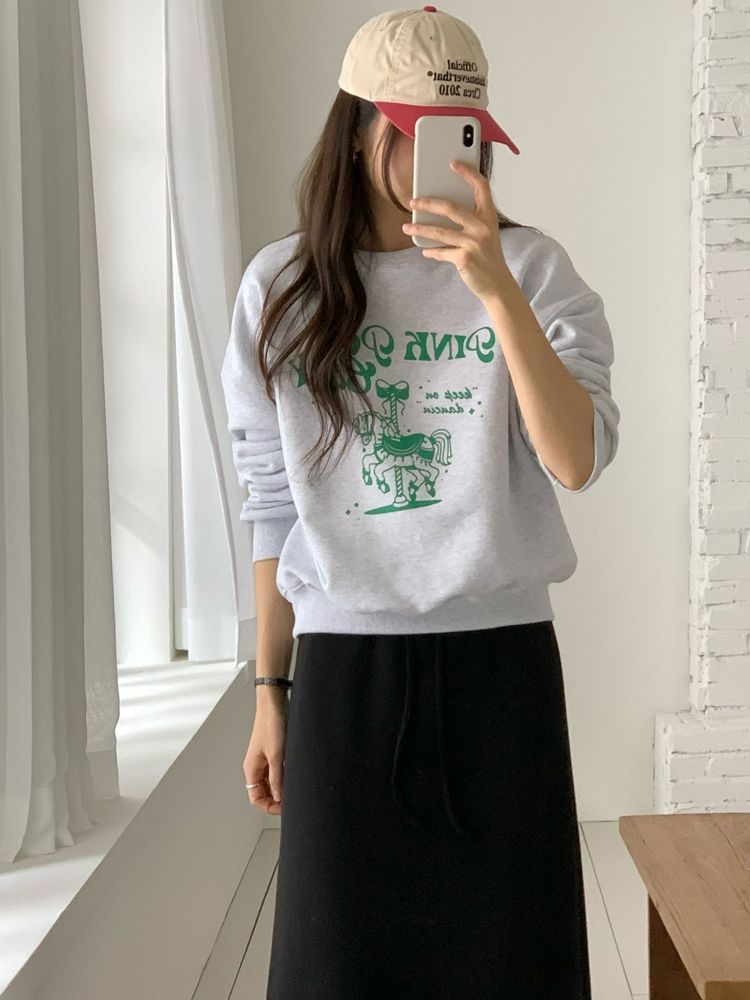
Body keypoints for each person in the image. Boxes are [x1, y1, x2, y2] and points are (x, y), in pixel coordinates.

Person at [220, 7, 620, 999]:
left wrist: (495, 290)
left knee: (516, 968)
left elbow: (575, 460)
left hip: (502, 666)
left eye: (468, 135)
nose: (451, 159)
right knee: (334, 971)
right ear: (358, 131)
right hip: (343, 670)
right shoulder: (282, 288)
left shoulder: (535, 272)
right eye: (419, 134)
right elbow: (273, 503)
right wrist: (271, 690)